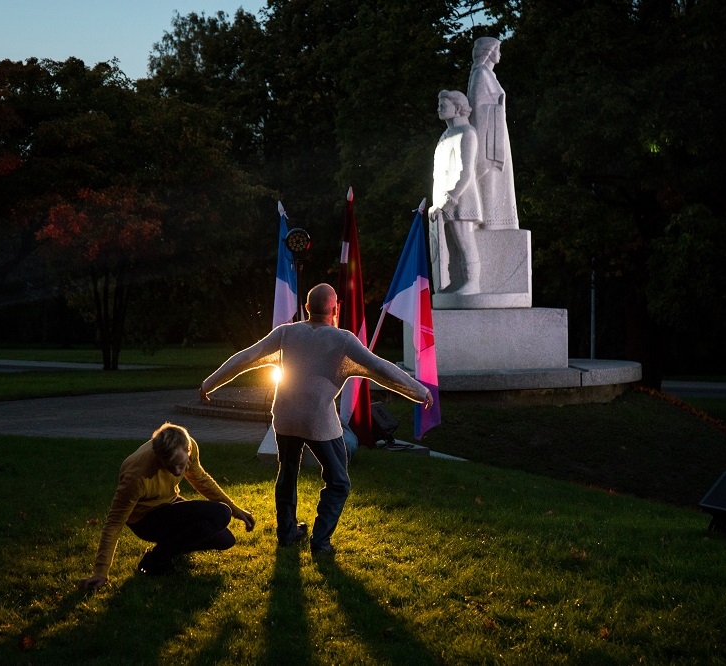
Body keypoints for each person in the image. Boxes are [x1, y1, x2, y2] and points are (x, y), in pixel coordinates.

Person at [199, 283, 433, 556]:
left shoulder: (286, 333)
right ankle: (320, 542)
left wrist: (209, 384)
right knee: (339, 481)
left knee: (287, 474)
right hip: (318, 420)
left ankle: (287, 534)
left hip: (284, 417)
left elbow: (246, 357)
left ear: (307, 308)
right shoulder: (343, 339)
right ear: (335, 309)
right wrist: (420, 391)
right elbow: (381, 367)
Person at [77, 422, 255, 590]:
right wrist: (101, 572)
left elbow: (201, 480)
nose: (177, 471)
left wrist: (237, 510)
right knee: (221, 513)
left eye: (180, 465)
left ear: (188, 450)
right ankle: (156, 560)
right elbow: (114, 524)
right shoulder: (136, 475)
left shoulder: (189, 445)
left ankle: (169, 547)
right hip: (145, 520)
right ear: (158, 457)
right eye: (169, 466)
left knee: (225, 540)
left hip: (169, 504)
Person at [430, 89, 483, 295]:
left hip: (462, 198)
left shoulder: (467, 133)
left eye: (444, 105)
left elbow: (466, 171)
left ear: (458, 108)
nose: (439, 108)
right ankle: (455, 281)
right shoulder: (446, 135)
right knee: (451, 245)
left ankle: (473, 282)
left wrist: (451, 197)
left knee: (464, 240)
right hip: (445, 199)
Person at [467, 36, 519, 230]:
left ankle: (499, 221)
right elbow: (478, 108)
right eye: (498, 49)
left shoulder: (488, 75)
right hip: (488, 137)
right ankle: (490, 221)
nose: (500, 54)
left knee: (499, 182)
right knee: (490, 180)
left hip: (497, 134)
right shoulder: (480, 74)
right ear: (490, 51)